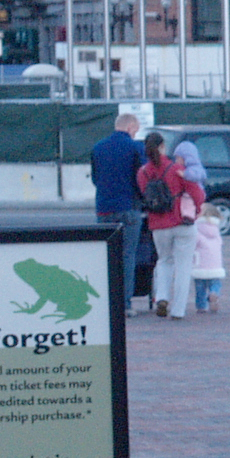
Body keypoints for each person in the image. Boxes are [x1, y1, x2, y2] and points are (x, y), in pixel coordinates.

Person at [136, 132, 202, 320]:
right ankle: (178, 310)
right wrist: (197, 209)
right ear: (162, 147)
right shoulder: (176, 169)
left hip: (158, 223)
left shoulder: (142, 173)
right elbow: (196, 193)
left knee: (164, 260)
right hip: (182, 221)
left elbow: (145, 194)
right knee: (183, 267)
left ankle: (162, 297)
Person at [89, 112, 146, 315]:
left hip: (104, 208)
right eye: (136, 130)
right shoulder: (136, 148)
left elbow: (95, 179)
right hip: (129, 208)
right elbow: (141, 179)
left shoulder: (98, 147)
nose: (136, 134)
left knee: (107, 256)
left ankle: (107, 302)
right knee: (127, 256)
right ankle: (124, 304)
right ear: (130, 127)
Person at [190, 202, 227, 313]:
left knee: (200, 287)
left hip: (200, 264)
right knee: (215, 283)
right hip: (215, 264)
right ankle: (214, 293)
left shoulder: (196, 229)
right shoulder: (216, 231)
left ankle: (201, 306)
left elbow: (193, 244)